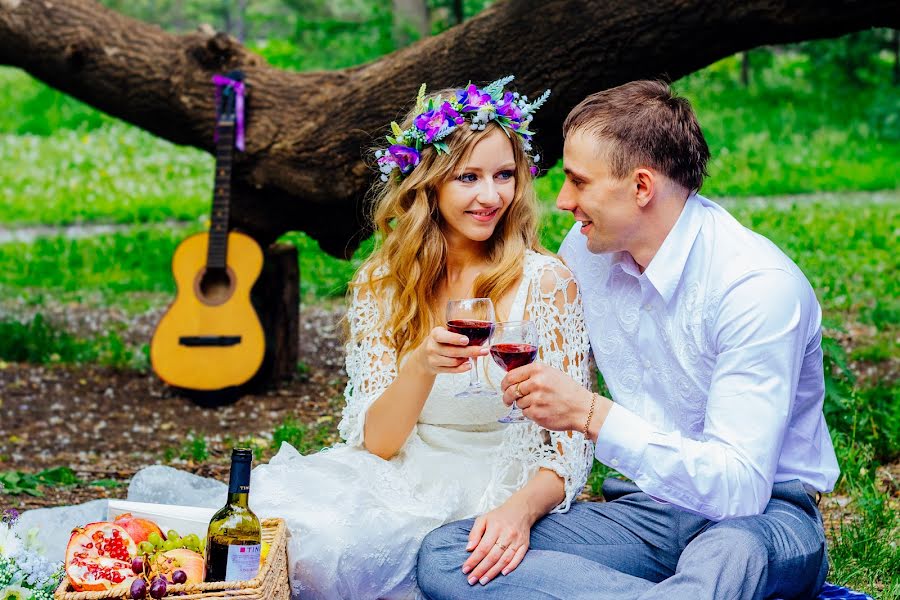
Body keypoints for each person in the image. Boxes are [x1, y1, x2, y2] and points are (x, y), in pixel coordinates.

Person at [18, 77, 593, 600]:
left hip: (492, 484)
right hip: (398, 471)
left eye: (503, 175)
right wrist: (420, 365)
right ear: (428, 184)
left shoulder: (546, 284)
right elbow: (378, 444)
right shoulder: (384, 283)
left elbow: (570, 448)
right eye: (467, 177)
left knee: (340, 559)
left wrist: (518, 511)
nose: (489, 195)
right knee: (273, 535)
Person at [417, 80, 841, 600]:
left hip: (763, 517)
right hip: (648, 514)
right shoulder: (586, 251)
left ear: (641, 187)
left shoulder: (756, 288)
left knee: (730, 556)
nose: (564, 201)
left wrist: (591, 414)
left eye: (578, 182)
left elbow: (738, 489)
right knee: (451, 554)